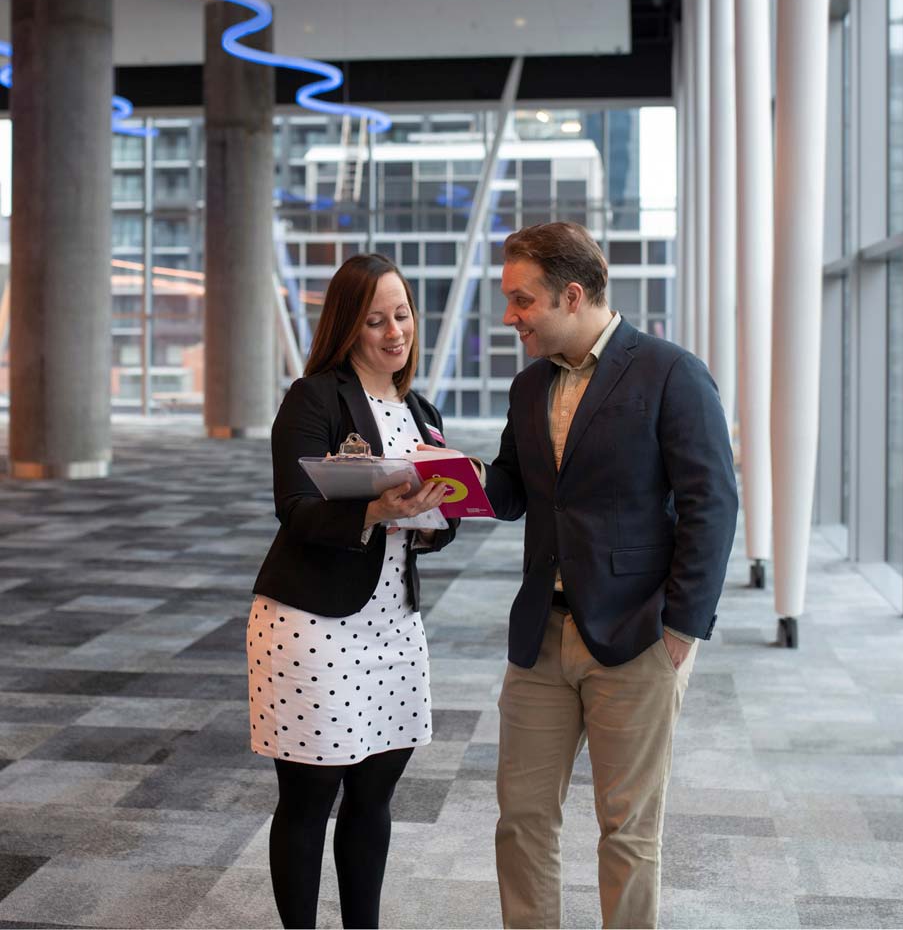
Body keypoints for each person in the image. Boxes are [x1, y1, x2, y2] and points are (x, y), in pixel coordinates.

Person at [481, 222, 738, 930]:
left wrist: (681, 629)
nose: (511, 317)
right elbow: (515, 487)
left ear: (571, 294)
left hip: (635, 634)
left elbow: (711, 503)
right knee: (521, 822)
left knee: (626, 832)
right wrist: (457, 478)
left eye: (522, 300)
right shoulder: (530, 385)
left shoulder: (669, 372)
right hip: (541, 636)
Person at [247, 253, 456, 930]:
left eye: (402, 314)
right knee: (310, 796)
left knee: (374, 796)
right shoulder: (315, 397)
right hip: (311, 623)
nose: (395, 331)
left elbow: (432, 526)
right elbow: (295, 507)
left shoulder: (422, 411)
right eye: (376, 319)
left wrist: (433, 517)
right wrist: (375, 511)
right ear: (347, 326)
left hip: (393, 626)